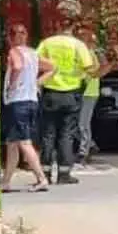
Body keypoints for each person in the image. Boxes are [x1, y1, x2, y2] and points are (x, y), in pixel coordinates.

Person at [36, 27, 97, 184]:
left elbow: (35, 62)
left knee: (48, 134)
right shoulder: (78, 45)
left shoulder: (47, 43)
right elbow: (90, 69)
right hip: (71, 94)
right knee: (66, 134)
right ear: (71, 29)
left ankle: (45, 173)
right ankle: (64, 174)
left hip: (50, 93)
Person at [0, 23, 55, 192]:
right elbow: (52, 67)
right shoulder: (33, 53)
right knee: (12, 143)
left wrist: (12, 85)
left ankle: (41, 179)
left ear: (10, 38)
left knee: (24, 142)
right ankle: (6, 181)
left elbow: (17, 66)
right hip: (31, 101)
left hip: (18, 102)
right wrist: (37, 83)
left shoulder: (14, 52)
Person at [77, 30, 111, 165]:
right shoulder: (84, 52)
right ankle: (90, 145)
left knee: (82, 123)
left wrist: (106, 64)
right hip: (80, 91)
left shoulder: (92, 53)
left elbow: (99, 71)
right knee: (77, 123)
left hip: (89, 92)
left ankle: (84, 152)